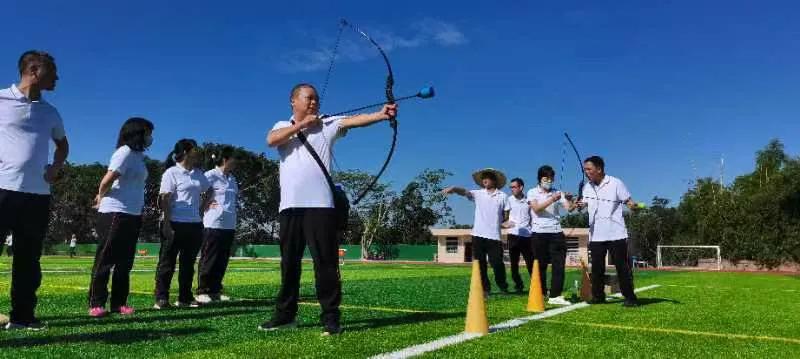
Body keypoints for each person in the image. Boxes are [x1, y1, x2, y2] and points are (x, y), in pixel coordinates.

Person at [260, 83, 397, 335]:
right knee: (289, 264)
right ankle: (285, 315)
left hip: (321, 206)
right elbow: (271, 140)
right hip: (290, 207)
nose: (314, 102)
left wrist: (381, 114)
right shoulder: (282, 125)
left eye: (316, 99)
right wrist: (302, 125)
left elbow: (355, 120)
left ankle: (331, 317)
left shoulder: (328, 124)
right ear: (293, 101)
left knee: (326, 264)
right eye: (308, 98)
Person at [0, 50, 69, 331]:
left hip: (38, 195)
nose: (57, 78)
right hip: (3, 189)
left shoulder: (50, 112)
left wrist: (56, 166)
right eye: (52, 72)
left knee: (29, 260)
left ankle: (22, 316)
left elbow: (63, 145)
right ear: (34, 70)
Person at [87, 117, 154, 317]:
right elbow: (108, 179)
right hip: (115, 212)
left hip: (133, 214)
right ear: (137, 133)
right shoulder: (124, 152)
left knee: (125, 262)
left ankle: (119, 303)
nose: (150, 137)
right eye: (148, 133)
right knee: (105, 259)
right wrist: (100, 196)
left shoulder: (139, 157)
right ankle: (96, 303)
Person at [154, 139, 213, 309]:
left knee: (188, 264)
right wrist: (166, 223)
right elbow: (165, 198)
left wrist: (201, 209)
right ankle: (161, 298)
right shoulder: (171, 172)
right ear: (186, 152)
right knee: (167, 263)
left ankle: (185, 298)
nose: (198, 151)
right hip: (174, 223)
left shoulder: (198, 173)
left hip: (194, 224)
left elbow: (209, 190)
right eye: (195, 148)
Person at [577, 156, 640, 307]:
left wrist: (633, 206)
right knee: (597, 268)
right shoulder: (587, 187)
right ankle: (598, 296)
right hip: (596, 234)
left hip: (616, 233)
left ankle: (630, 297)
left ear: (599, 169)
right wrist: (579, 205)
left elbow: (628, 201)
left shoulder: (615, 182)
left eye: (589, 169)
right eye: (585, 169)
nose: (586, 172)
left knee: (622, 267)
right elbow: (582, 206)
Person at [443, 168, 510, 298]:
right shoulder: (478, 194)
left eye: (487, 177)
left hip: (494, 237)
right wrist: (454, 188)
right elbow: (464, 192)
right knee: (480, 264)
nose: (484, 180)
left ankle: (503, 286)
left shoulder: (503, 196)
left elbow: (506, 214)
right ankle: (485, 289)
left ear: (494, 180)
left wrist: (502, 222)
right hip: (478, 235)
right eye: (483, 178)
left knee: (497, 263)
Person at [528, 165, 576, 306]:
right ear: (539, 179)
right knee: (540, 265)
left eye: (551, 179)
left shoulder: (557, 192)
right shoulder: (532, 192)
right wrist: (552, 199)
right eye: (546, 178)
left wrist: (570, 200)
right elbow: (536, 209)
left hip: (556, 233)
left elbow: (569, 209)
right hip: (539, 233)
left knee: (559, 265)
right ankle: (541, 292)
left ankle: (555, 295)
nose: (549, 181)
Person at [196, 146, 239, 304]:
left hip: (229, 224)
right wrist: (205, 204)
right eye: (234, 158)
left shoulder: (232, 179)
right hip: (213, 223)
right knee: (209, 257)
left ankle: (215, 290)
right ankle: (202, 291)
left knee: (222, 259)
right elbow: (195, 192)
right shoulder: (210, 175)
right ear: (225, 159)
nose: (236, 162)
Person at [504, 178, 533, 293]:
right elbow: (501, 216)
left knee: (530, 263)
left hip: (527, 236)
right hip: (513, 236)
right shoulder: (508, 200)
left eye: (514, 187)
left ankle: (536, 286)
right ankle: (518, 285)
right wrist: (504, 224)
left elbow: (533, 217)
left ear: (521, 187)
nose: (512, 189)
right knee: (514, 265)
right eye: (510, 187)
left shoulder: (529, 201)